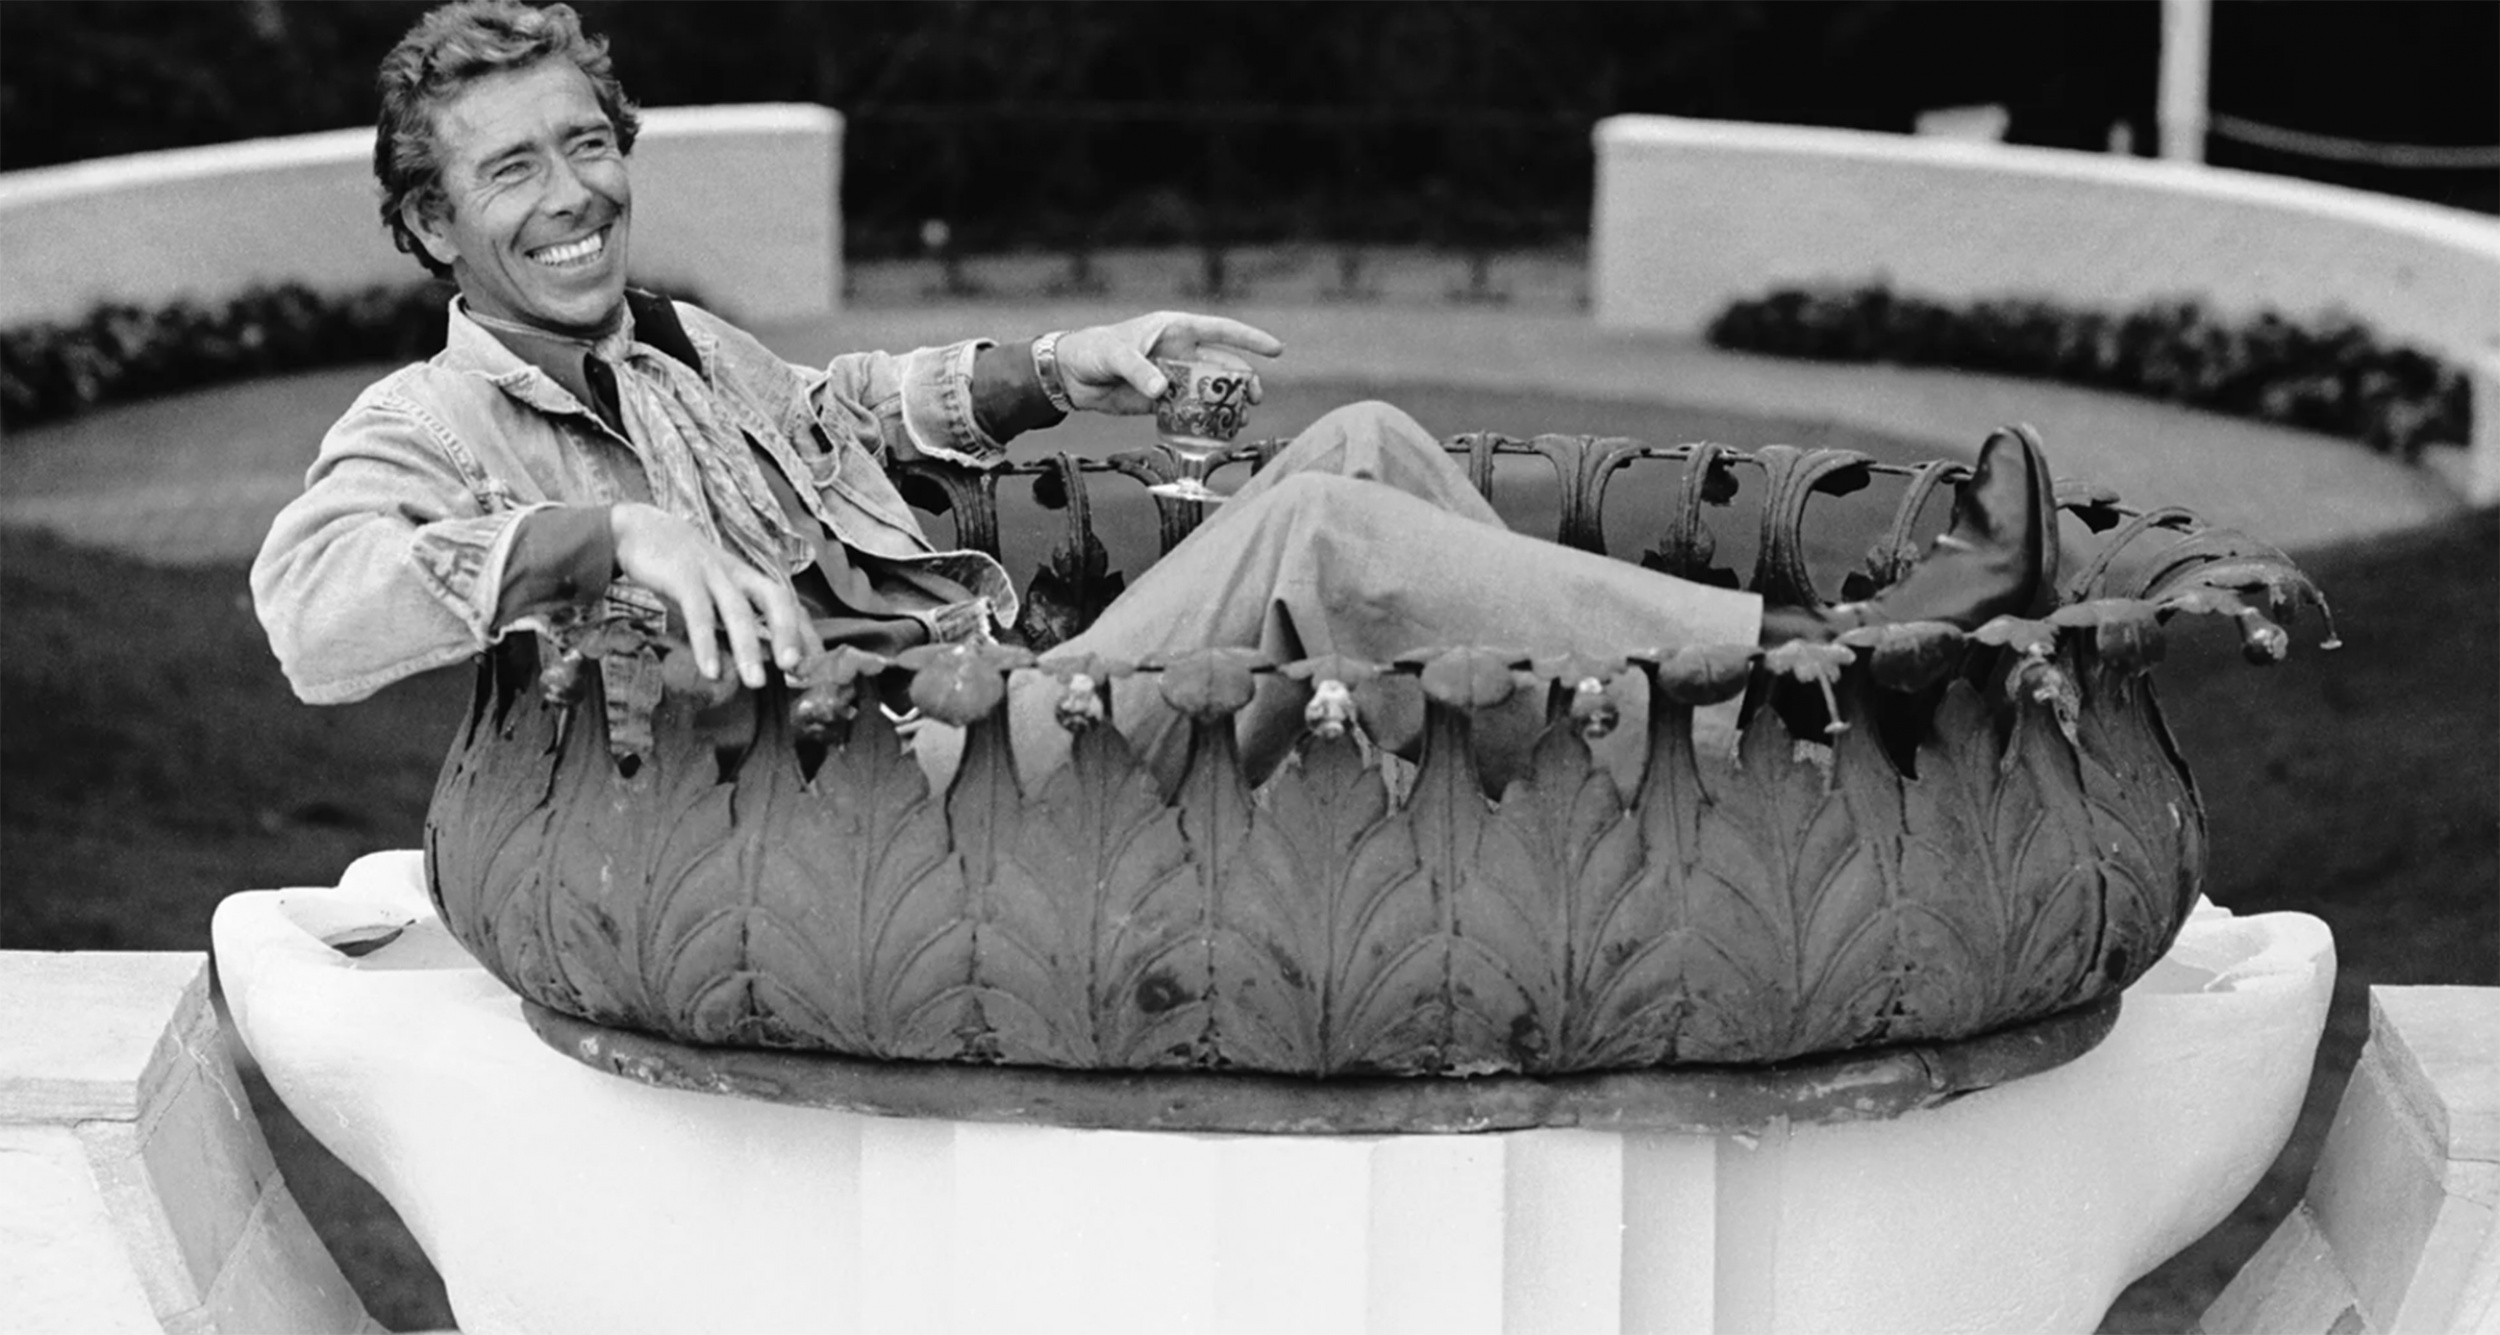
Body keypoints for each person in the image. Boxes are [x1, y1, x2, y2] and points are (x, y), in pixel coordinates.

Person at [253, 0, 2052, 792]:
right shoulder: (432, 426)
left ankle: (1627, 735)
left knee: (1356, 443)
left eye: (587, 143)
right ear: (432, 225)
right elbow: (311, 614)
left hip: (999, 692)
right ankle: (1831, 668)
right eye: (511, 171)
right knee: (1322, 530)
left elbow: (854, 403)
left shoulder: (682, 350)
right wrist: (601, 536)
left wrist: (1067, 364)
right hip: (901, 783)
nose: (571, 195)